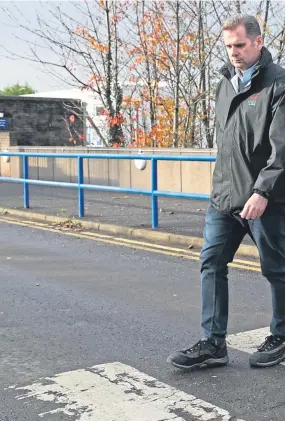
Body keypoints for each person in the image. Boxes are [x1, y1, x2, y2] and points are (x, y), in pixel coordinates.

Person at [168, 14, 285, 369]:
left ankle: (280, 334)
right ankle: (213, 343)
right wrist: (220, 187)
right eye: (228, 46)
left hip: (265, 198)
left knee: (275, 268)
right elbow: (227, 143)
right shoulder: (224, 83)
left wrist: (263, 191)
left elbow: (282, 148)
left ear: (258, 42)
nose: (233, 52)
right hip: (224, 197)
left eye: (240, 45)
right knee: (212, 263)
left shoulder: (278, 84)